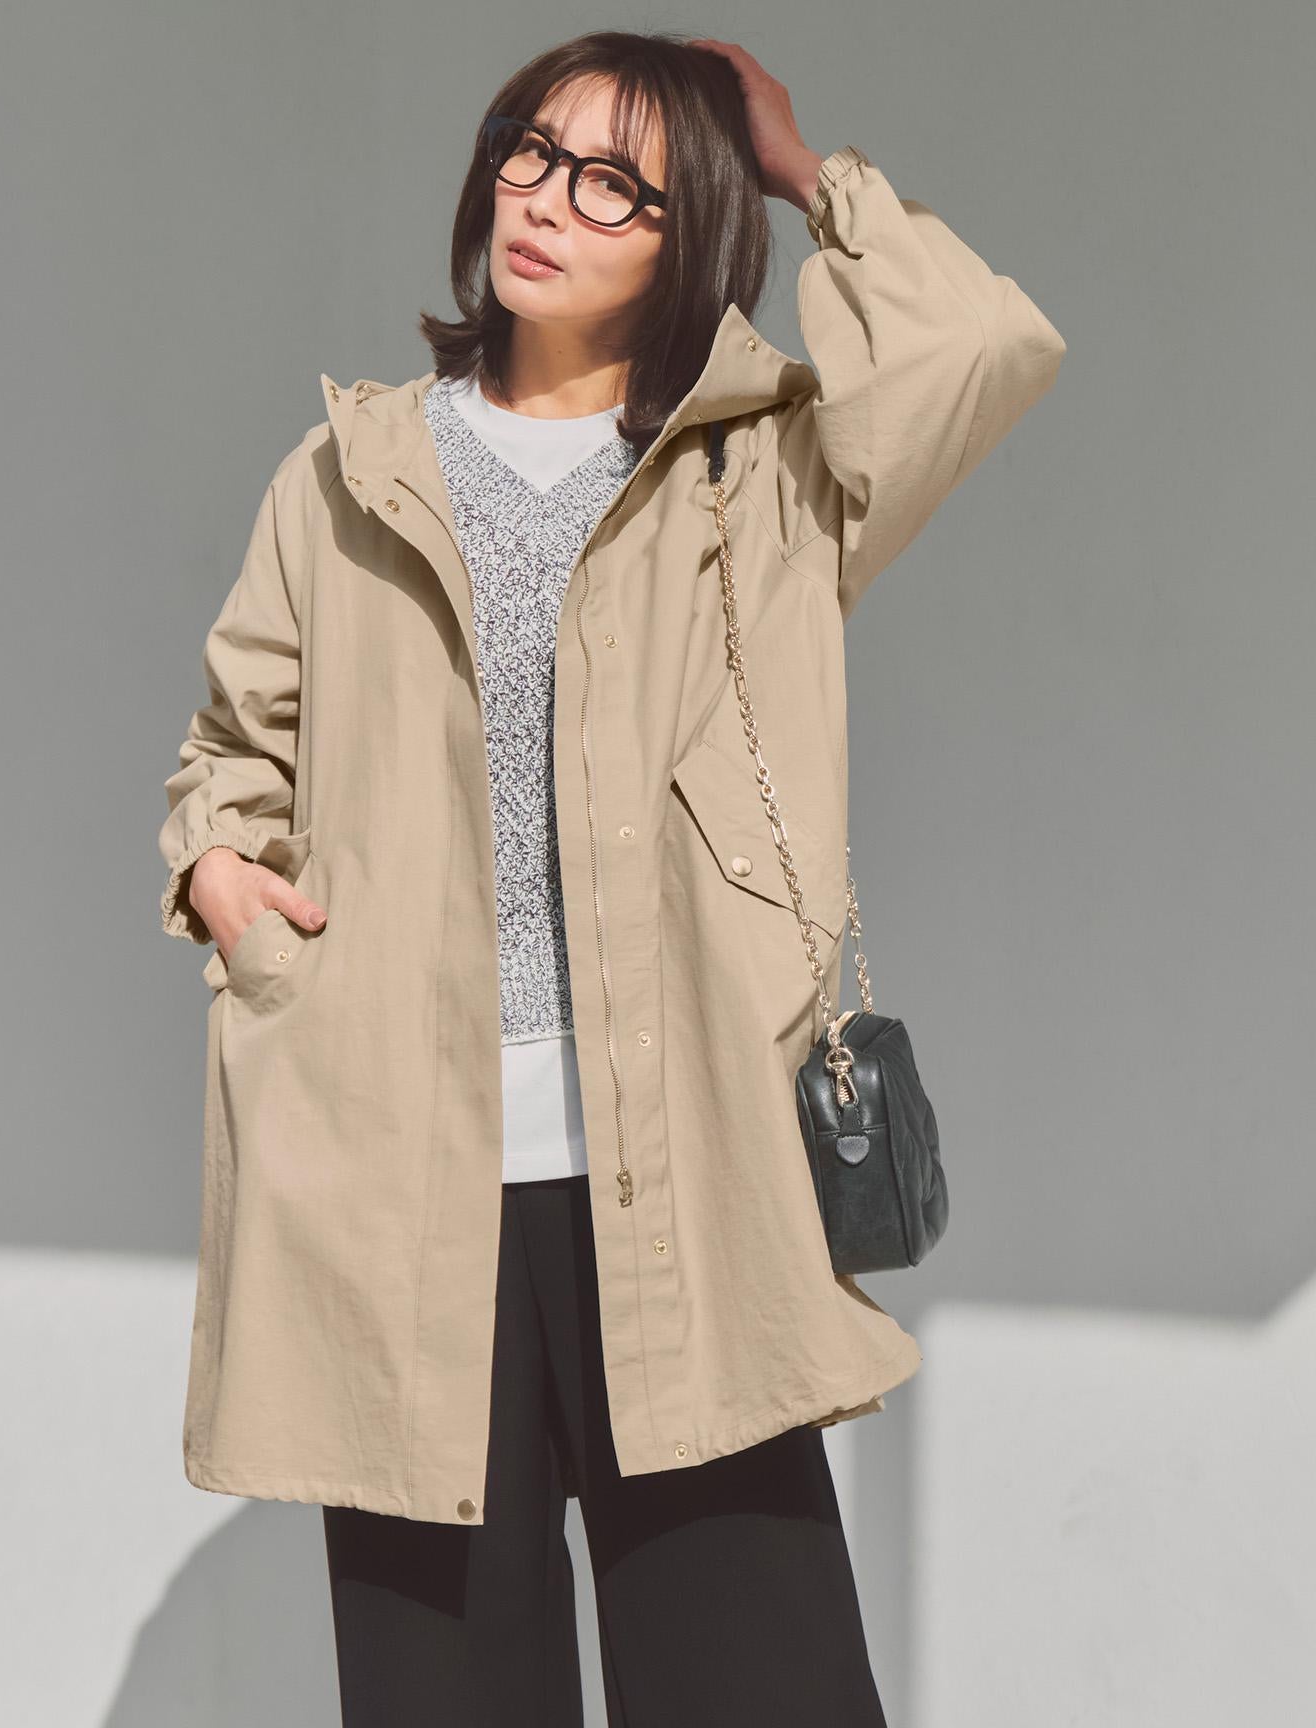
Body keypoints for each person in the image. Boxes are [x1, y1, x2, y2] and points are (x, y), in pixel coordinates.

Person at [157, 28, 1065, 1726]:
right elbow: (231, 747)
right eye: (529, 147)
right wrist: (219, 868)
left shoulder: (763, 472)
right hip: (399, 1190)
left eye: (611, 183)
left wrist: (804, 168)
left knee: (765, 1693)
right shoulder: (348, 473)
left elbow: (977, 349)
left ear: (688, 228)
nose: (543, 198)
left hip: (689, 1189)